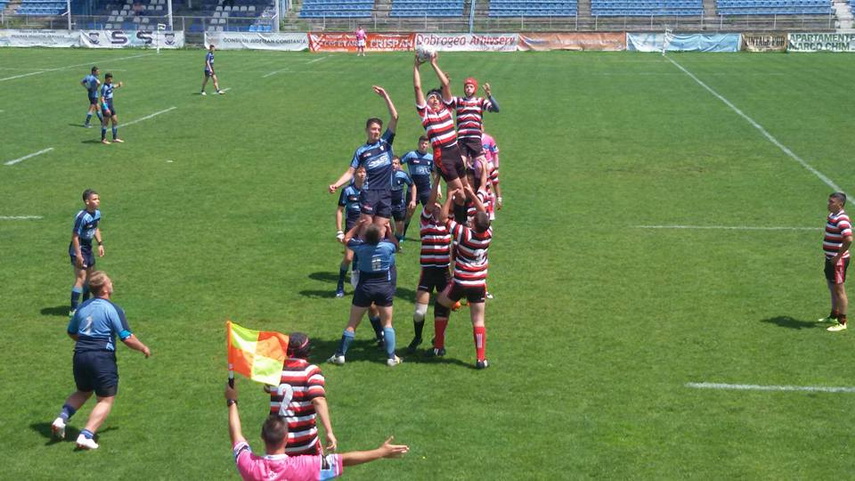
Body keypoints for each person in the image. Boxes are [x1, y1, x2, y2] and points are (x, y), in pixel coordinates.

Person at [50, 271, 152, 450]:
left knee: (83, 391)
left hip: (80, 355)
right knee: (105, 400)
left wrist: (86, 342)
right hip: (101, 358)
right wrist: (143, 347)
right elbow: (126, 337)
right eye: (110, 282)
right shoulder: (113, 309)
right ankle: (86, 435)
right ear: (105, 289)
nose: (112, 284)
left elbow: (71, 331)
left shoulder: (83, 307)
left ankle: (61, 419)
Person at [227, 383, 409, 481]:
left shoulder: (250, 466)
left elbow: (236, 435)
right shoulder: (304, 464)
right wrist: (380, 452)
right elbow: (343, 460)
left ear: (262, 437)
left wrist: (232, 402)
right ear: (286, 438)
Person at [328, 221, 401, 367]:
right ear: (380, 236)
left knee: (352, 324)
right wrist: (389, 231)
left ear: (366, 237)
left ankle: (340, 355)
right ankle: (391, 357)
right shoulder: (387, 247)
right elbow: (397, 246)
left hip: (365, 288)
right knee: (387, 323)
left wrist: (357, 226)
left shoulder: (360, 247)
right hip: (384, 288)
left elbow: (345, 239)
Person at [435, 185, 493, 369]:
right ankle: (481, 358)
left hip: (460, 281)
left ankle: (438, 346)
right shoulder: (487, 235)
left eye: (472, 220)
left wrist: (450, 197)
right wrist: (473, 195)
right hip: (478, 283)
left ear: (474, 225)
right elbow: (483, 215)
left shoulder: (465, 233)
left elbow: (443, 219)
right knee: (478, 320)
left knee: (441, 303)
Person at [328, 86, 399, 228]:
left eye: (379, 129)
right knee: (365, 228)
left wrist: (386, 97)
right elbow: (350, 172)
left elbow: (395, 117)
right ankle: (357, 250)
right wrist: (337, 184)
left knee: (381, 229)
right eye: (373, 129)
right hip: (369, 193)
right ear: (366, 130)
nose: (377, 132)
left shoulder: (386, 143)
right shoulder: (361, 151)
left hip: (385, 192)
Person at [265, 333, 337, 455]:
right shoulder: (311, 371)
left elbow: (268, 388)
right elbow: (318, 399)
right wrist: (329, 431)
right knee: (315, 473)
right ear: (307, 350)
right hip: (306, 443)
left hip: (278, 444)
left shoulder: (274, 370)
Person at [413, 52, 468, 210]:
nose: (435, 99)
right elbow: (417, 87)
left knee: (467, 190)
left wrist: (433, 64)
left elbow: (445, 85)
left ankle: (462, 218)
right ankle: (448, 214)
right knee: (461, 195)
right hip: (443, 155)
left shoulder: (448, 108)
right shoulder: (426, 114)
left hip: (455, 150)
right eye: (431, 98)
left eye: (437, 97)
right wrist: (416, 66)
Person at [406, 181, 456, 353]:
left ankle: (438, 339)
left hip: (443, 272)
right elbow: (429, 203)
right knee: (420, 312)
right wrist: (436, 180)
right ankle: (418, 336)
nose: (435, 208)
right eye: (433, 207)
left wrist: (451, 183)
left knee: (443, 310)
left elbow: (452, 203)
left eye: (438, 207)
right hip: (427, 272)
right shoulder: (425, 223)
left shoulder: (449, 226)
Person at [819, 192, 852, 332]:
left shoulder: (842, 219)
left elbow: (849, 239)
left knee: (839, 290)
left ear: (840, 204)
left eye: (831, 202)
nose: (828, 203)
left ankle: (842, 321)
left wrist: (838, 256)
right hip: (830, 258)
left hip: (837, 261)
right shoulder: (833, 216)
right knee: (832, 288)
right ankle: (834, 315)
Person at [68, 189, 104, 316]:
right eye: (94, 199)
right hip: (79, 248)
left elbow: (95, 228)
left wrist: (100, 244)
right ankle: (73, 309)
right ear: (87, 202)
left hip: (88, 248)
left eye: (98, 199)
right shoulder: (81, 217)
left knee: (90, 277)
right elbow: (75, 236)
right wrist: (78, 255)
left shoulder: (97, 213)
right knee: (81, 278)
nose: (97, 201)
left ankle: (86, 305)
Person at [452, 77, 499, 170]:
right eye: (467, 87)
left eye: (471, 87)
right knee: (461, 165)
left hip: (475, 138)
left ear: (475, 89)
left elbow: (496, 109)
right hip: (462, 139)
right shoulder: (459, 101)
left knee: (481, 165)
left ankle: (483, 184)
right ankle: (464, 184)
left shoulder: (480, 101)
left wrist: (489, 96)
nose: (468, 89)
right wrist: (444, 86)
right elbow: (446, 99)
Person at [335, 166, 366, 298]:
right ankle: (340, 284)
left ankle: (360, 286)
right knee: (348, 258)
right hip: (351, 229)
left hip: (365, 230)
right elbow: (339, 210)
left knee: (362, 259)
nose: (362, 174)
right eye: (360, 172)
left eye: (364, 172)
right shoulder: (347, 190)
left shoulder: (369, 190)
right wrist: (339, 231)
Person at [401, 136, 439, 239]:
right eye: (422, 143)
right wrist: (402, 175)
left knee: (429, 212)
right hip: (413, 189)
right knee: (409, 212)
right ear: (418, 144)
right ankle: (402, 235)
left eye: (426, 144)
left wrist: (438, 187)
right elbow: (398, 162)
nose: (423, 145)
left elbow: (434, 174)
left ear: (428, 145)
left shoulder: (431, 158)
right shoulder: (411, 155)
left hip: (426, 189)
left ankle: (428, 235)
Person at [390, 156, 416, 245]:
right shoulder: (384, 174)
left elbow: (412, 185)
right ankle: (388, 244)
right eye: (392, 163)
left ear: (399, 165)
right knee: (389, 227)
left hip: (399, 205)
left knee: (399, 229)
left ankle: (395, 246)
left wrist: (413, 200)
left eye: (396, 163)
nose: (393, 165)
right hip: (387, 204)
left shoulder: (403, 175)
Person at [482, 131, 503, 219]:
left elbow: (495, 153)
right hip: (477, 164)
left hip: (488, 164)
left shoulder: (489, 139)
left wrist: (496, 167)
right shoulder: (473, 140)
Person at [99, 73, 123, 145]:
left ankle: (114, 138)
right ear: (106, 79)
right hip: (106, 106)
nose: (111, 81)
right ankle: (103, 139)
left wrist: (118, 85)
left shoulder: (110, 85)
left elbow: (113, 86)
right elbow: (102, 99)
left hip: (111, 106)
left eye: (111, 79)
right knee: (105, 123)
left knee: (115, 121)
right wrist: (106, 109)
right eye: (109, 79)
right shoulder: (104, 87)